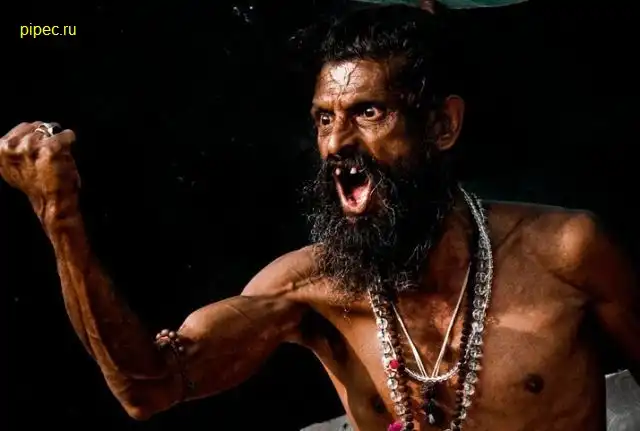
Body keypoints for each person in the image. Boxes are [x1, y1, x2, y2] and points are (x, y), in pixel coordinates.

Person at [1, 5, 638, 431]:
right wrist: (61, 221)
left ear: (442, 126)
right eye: (323, 119)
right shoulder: (313, 289)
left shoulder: (567, 253)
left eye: (369, 113)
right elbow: (147, 389)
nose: (336, 144)